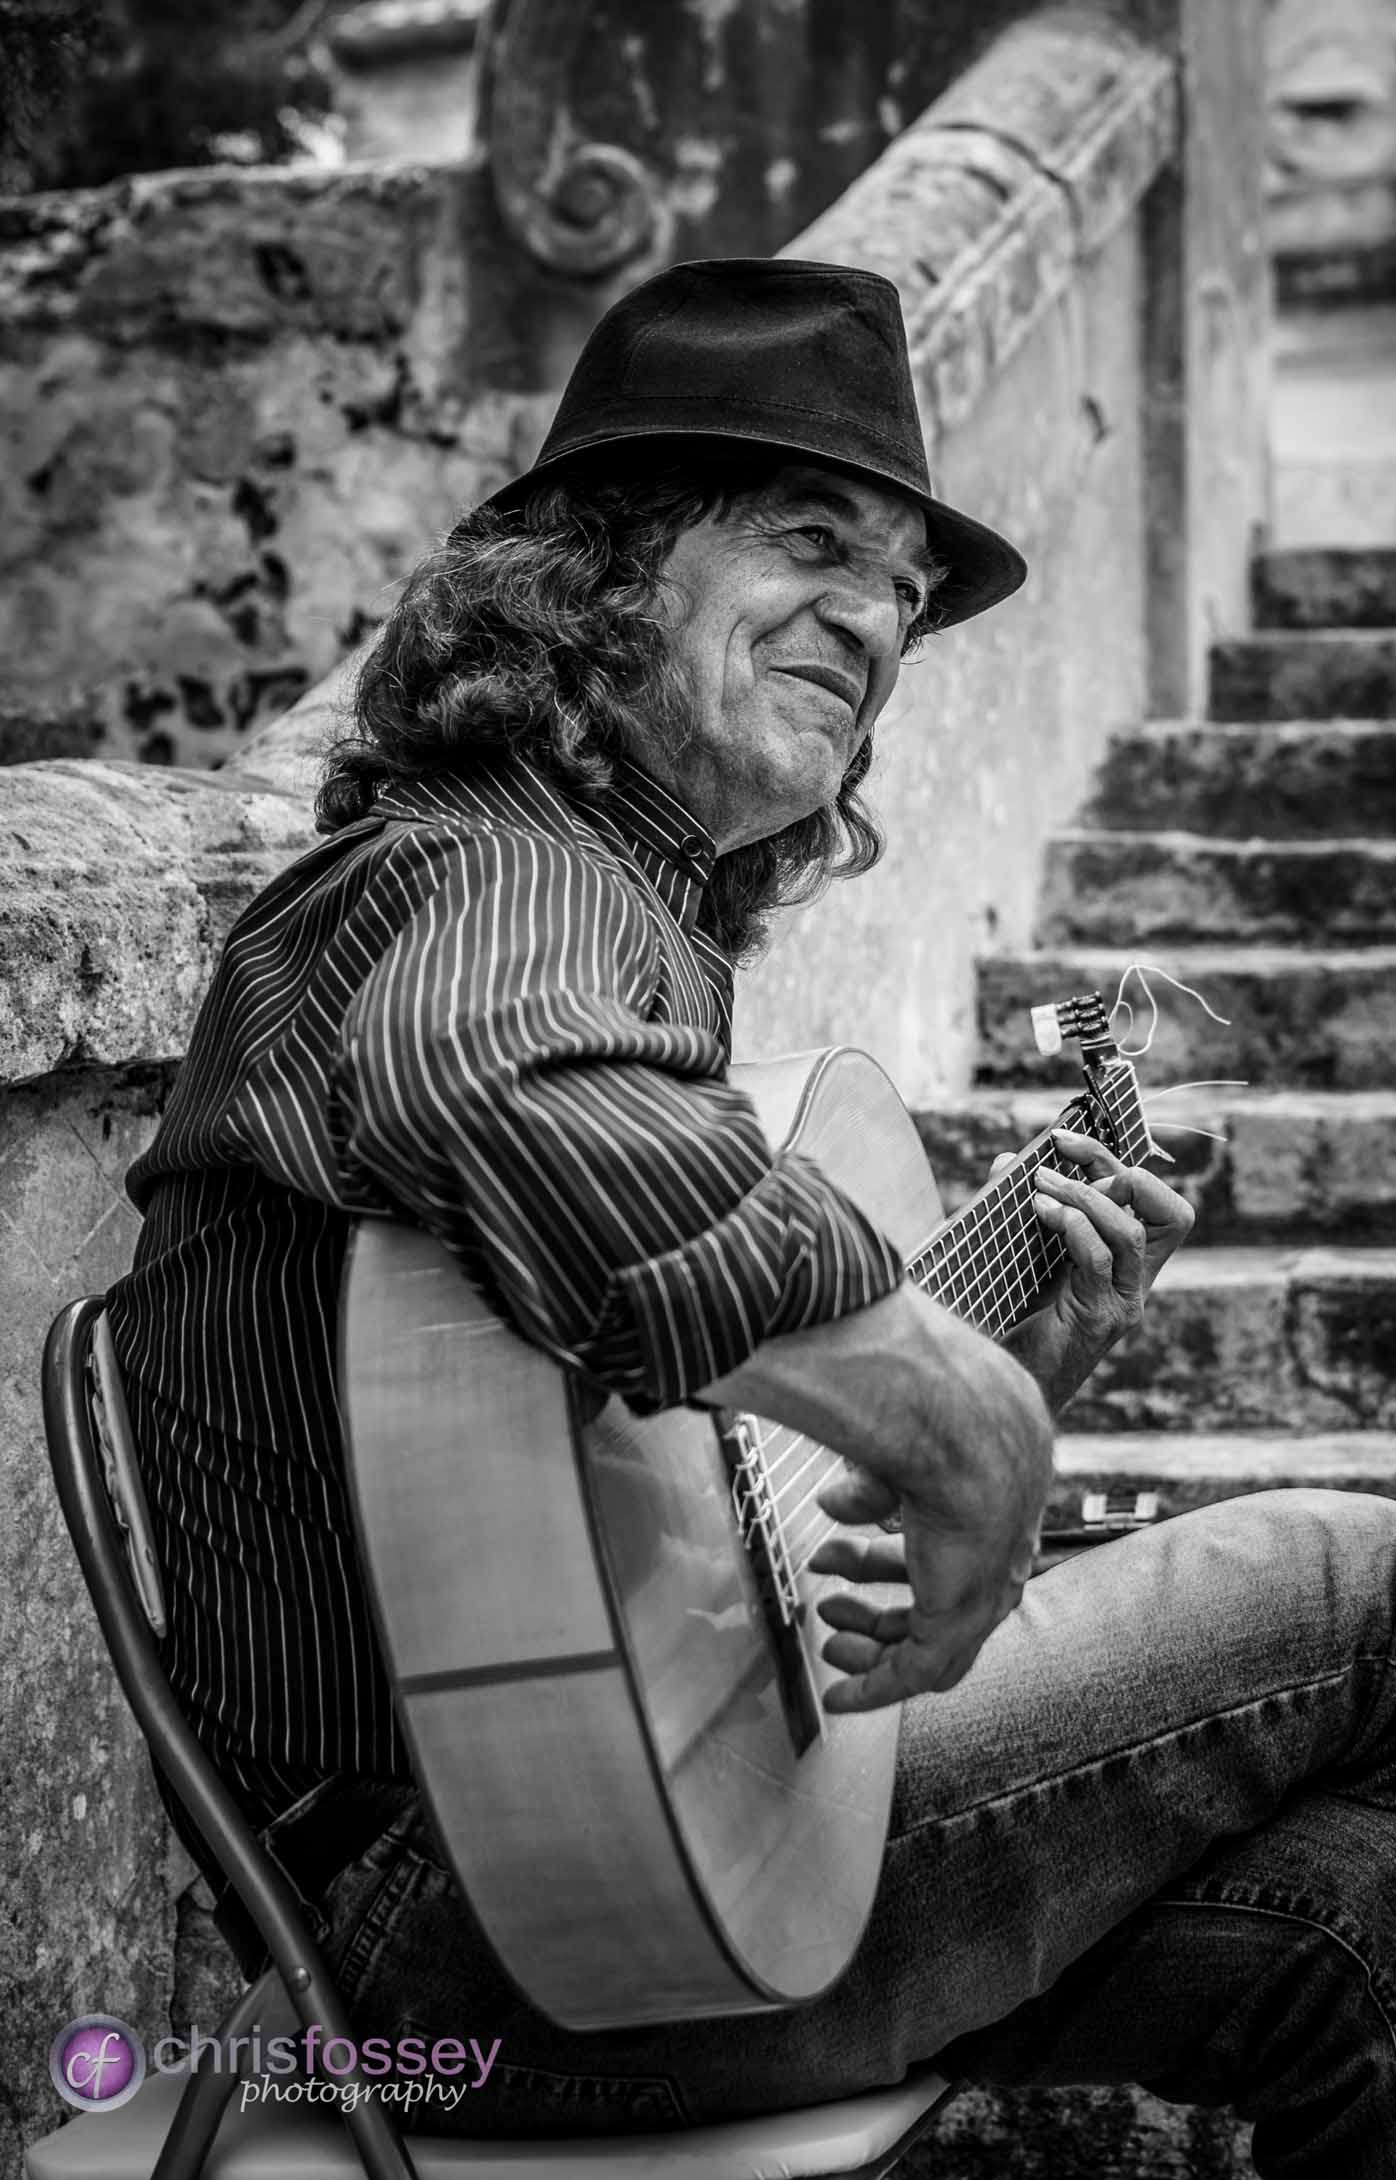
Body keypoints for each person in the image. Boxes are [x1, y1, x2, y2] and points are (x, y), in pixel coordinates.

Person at [105, 258, 1396, 2176]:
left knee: (1345, 1929)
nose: (876, 622)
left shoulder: (616, 918)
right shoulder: (488, 869)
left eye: (906, 596)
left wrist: (1020, 1343)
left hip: (562, 1905)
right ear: (600, 574)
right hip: (492, 1904)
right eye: (813, 543)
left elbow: (675, 1529)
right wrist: (961, 1409)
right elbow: (501, 1078)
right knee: (1361, 1577)